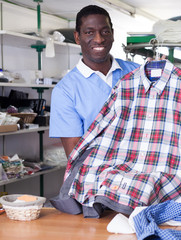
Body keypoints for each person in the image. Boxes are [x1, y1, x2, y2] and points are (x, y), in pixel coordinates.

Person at [49, 5, 140, 157]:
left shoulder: (137, 73)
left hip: (145, 171)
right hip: (98, 177)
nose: (99, 39)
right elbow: (76, 156)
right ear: (78, 37)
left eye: (105, 31)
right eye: (89, 32)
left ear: (112, 34)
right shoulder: (65, 91)